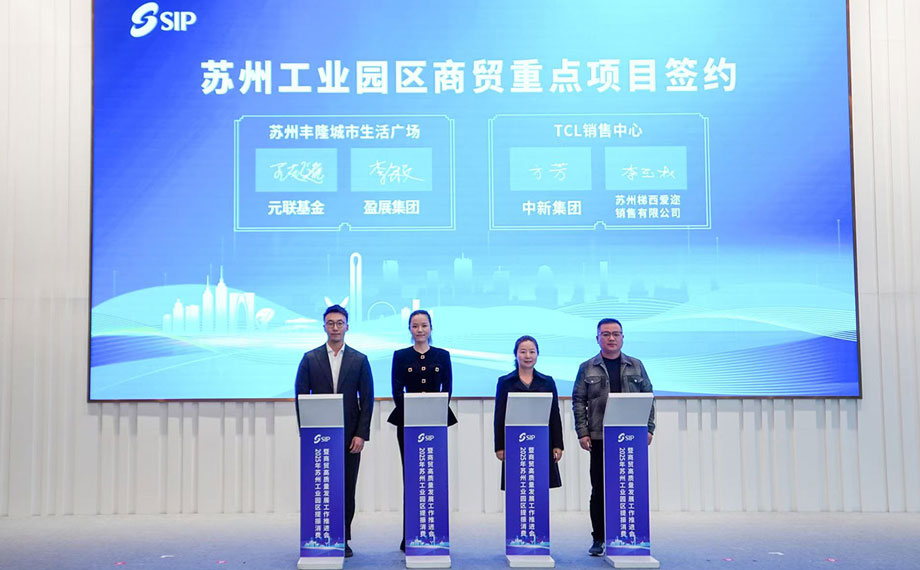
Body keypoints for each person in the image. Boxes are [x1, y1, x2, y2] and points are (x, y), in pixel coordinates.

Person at [295, 305, 373, 558]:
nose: (335, 327)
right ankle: (320, 535)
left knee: (346, 488)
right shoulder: (310, 358)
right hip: (318, 436)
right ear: (324, 326)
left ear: (347, 326)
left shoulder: (359, 360)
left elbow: (367, 399)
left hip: (350, 436)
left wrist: (361, 434)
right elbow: (300, 397)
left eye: (340, 323)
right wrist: (306, 433)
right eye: (331, 323)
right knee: (320, 487)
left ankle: (343, 538)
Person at [572, 318, 655, 557]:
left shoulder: (636, 365)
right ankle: (599, 538)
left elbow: (649, 397)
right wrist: (583, 432)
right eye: (606, 334)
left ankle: (629, 535)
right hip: (599, 436)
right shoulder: (587, 367)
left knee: (630, 486)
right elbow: (578, 401)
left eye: (616, 334)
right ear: (597, 338)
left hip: (631, 437)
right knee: (599, 489)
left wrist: (649, 428)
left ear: (622, 337)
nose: (611, 338)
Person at [387, 309, 458, 552]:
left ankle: (435, 531)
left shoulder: (442, 355)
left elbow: (447, 388)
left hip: (435, 424)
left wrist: (434, 410)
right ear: (409, 328)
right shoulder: (400, 356)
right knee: (412, 478)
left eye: (424, 325)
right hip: (408, 424)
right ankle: (410, 533)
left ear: (430, 328)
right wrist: (413, 412)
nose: (420, 330)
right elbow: (397, 390)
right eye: (415, 326)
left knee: (433, 478)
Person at [494, 335, 564, 490]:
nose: (528, 356)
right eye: (523, 352)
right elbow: (499, 416)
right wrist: (499, 446)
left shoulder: (547, 382)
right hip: (514, 441)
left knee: (540, 485)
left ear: (537, 354)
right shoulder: (505, 382)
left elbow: (554, 415)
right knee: (516, 486)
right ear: (515, 354)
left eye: (532, 352)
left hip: (542, 441)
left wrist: (558, 444)